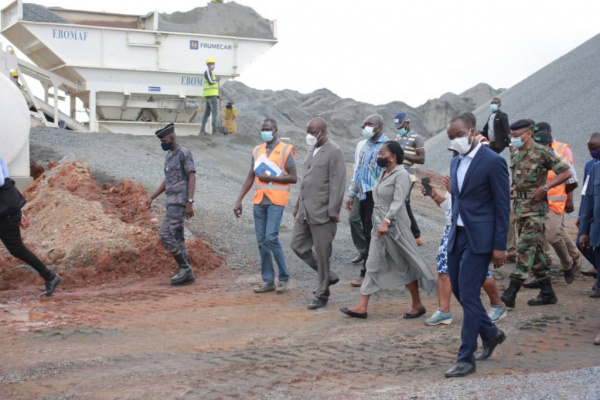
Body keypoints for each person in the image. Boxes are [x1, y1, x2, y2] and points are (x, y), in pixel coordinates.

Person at [443, 115, 510, 378]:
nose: (455, 140)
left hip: (480, 239)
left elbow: (503, 206)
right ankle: (491, 333)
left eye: (458, 134)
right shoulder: (455, 161)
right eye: (450, 137)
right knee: (460, 292)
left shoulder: (493, 162)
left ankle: (466, 358)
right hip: (457, 235)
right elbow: (458, 200)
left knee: (470, 296)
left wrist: (499, 245)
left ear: (471, 131)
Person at [339, 141, 436, 319]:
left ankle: (417, 304)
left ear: (393, 156)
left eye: (382, 154)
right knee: (372, 264)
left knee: (405, 264)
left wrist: (386, 220)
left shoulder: (401, 175)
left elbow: (399, 202)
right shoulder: (384, 173)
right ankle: (362, 306)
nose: (379, 157)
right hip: (379, 228)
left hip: (395, 227)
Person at [500, 120, 571, 309]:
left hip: (536, 210)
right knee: (536, 251)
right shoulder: (515, 152)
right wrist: (513, 188)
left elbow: (565, 172)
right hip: (519, 208)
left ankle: (511, 292)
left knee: (524, 248)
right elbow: (518, 177)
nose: (513, 139)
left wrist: (546, 187)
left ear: (528, 134)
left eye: (516, 136)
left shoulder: (542, 152)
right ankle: (547, 293)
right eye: (511, 136)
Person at [423, 170, 507, 326]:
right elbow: (449, 206)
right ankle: (444, 311)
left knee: (481, 274)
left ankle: (498, 305)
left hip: (472, 233)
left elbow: (475, 206)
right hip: (451, 232)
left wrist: (455, 192)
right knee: (443, 270)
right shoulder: (457, 175)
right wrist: (434, 195)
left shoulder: (481, 179)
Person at [234, 118, 297, 294]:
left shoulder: (285, 150)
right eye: (263, 129)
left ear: (276, 131)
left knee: (271, 238)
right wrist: (239, 200)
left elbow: (293, 177)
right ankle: (268, 280)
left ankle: (284, 277)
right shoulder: (257, 150)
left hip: (276, 200)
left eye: (268, 129)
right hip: (260, 200)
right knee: (262, 242)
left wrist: (272, 178)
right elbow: (250, 176)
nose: (265, 132)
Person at [291, 117, 346, 310]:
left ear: (323, 131)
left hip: (323, 212)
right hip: (305, 210)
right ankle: (328, 276)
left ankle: (322, 294)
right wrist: (298, 205)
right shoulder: (310, 150)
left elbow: (337, 183)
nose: (309, 136)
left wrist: (333, 211)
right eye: (308, 131)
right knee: (297, 245)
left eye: (313, 132)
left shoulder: (334, 152)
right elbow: (305, 180)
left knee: (323, 254)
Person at [522, 128, 580, 288]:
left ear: (549, 144)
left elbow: (571, 180)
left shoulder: (560, 159)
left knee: (553, 237)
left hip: (554, 205)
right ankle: (539, 276)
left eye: (542, 145)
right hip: (535, 206)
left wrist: (566, 198)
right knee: (536, 241)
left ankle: (568, 263)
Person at [0, 157, 62, 296]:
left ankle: (50, 277)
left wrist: (19, 213)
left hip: (5, 214)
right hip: (7, 211)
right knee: (17, 249)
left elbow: (1, 181)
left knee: (17, 249)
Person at [145, 123, 197, 285]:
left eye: (165, 140)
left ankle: (184, 267)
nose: (163, 143)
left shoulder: (184, 153)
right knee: (178, 237)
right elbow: (168, 181)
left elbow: (192, 177)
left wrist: (189, 202)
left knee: (165, 234)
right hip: (171, 201)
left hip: (180, 202)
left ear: (172, 138)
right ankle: (187, 271)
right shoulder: (168, 156)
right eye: (161, 140)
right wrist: (152, 197)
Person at [346, 115, 389, 287]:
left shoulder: (387, 146)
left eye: (369, 125)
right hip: (363, 194)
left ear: (378, 126)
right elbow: (358, 171)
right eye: (364, 124)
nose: (365, 127)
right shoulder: (365, 145)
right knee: (367, 232)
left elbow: (391, 171)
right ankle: (376, 268)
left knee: (373, 233)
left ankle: (366, 273)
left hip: (377, 194)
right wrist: (352, 193)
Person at [394, 112, 425, 246]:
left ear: (407, 122)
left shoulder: (417, 138)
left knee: (404, 203)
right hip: (397, 174)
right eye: (397, 126)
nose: (398, 128)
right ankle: (402, 233)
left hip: (409, 176)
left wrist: (403, 155)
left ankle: (416, 235)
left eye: (400, 125)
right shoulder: (397, 137)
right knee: (398, 203)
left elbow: (422, 159)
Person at [577, 131, 600, 299]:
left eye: (595, 148)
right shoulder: (594, 167)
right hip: (596, 222)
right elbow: (588, 196)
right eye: (590, 148)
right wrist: (583, 224)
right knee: (583, 244)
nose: (592, 151)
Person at [348, 138, 368, 265]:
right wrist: (352, 192)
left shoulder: (384, 144)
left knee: (372, 224)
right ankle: (364, 250)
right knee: (353, 219)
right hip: (360, 190)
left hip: (375, 191)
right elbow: (357, 168)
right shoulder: (360, 144)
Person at [200, 57, 220, 135]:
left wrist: (218, 95)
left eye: (213, 64)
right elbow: (211, 82)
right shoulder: (207, 72)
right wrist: (217, 80)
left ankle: (202, 130)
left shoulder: (212, 73)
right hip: (211, 96)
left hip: (211, 96)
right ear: (208, 65)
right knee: (214, 113)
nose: (212, 65)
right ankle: (214, 130)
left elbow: (213, 86)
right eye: (211, 64)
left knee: (207, 113)